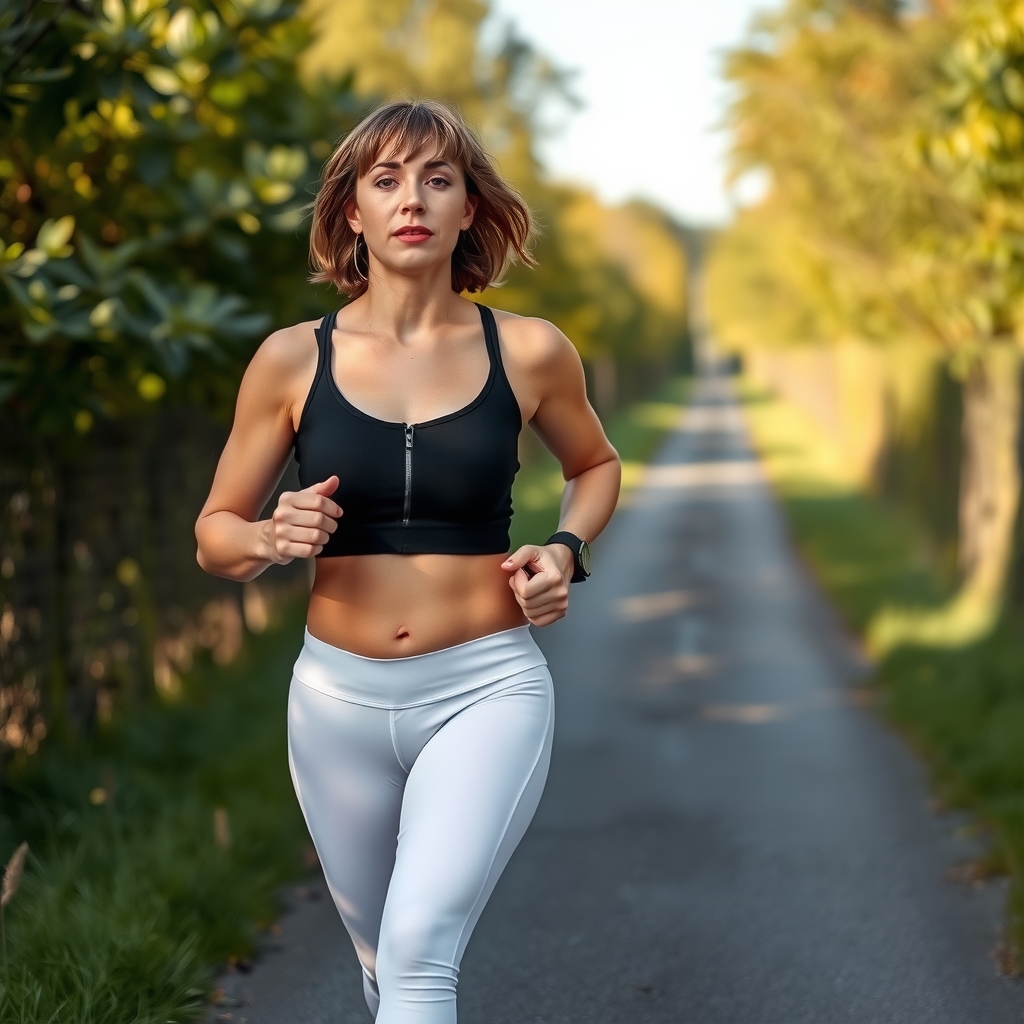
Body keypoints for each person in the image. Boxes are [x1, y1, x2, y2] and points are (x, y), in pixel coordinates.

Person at [194, 99, 621, 1023]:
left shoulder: (533, 350)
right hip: (335, 704)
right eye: (385, 181)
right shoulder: (288, 360)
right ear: (351, 210)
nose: (411, 200)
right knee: (387, 968)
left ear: (471, 207)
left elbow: (595, 466)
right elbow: (213, 533)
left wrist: (564, 548)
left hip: (487, 688)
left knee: (422, 959)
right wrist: (270, 536)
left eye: (437, 179)